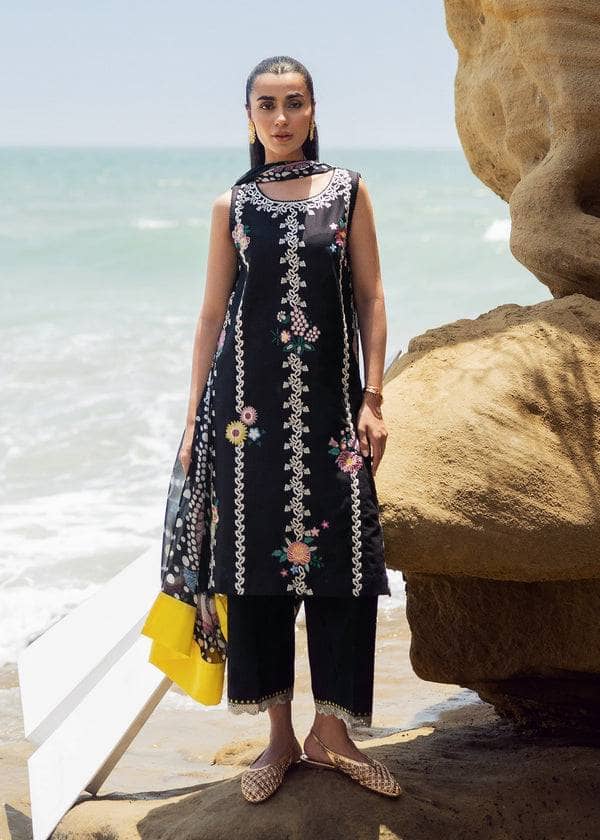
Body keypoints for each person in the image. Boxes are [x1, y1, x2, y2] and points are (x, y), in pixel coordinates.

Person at [141, 54, 401, 803]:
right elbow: (211, 317)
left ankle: (335, 732)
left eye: (293, 103)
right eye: (266, 105)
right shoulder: (232, 206)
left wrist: (373, 397)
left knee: (346, 568)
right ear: (249, 117)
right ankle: (279, 739)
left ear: (313, 112)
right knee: (253, 577)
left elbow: (373, 297)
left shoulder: (349, 193)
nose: (281, 117)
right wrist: (194, 417)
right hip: (242, 420)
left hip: (329, 413)